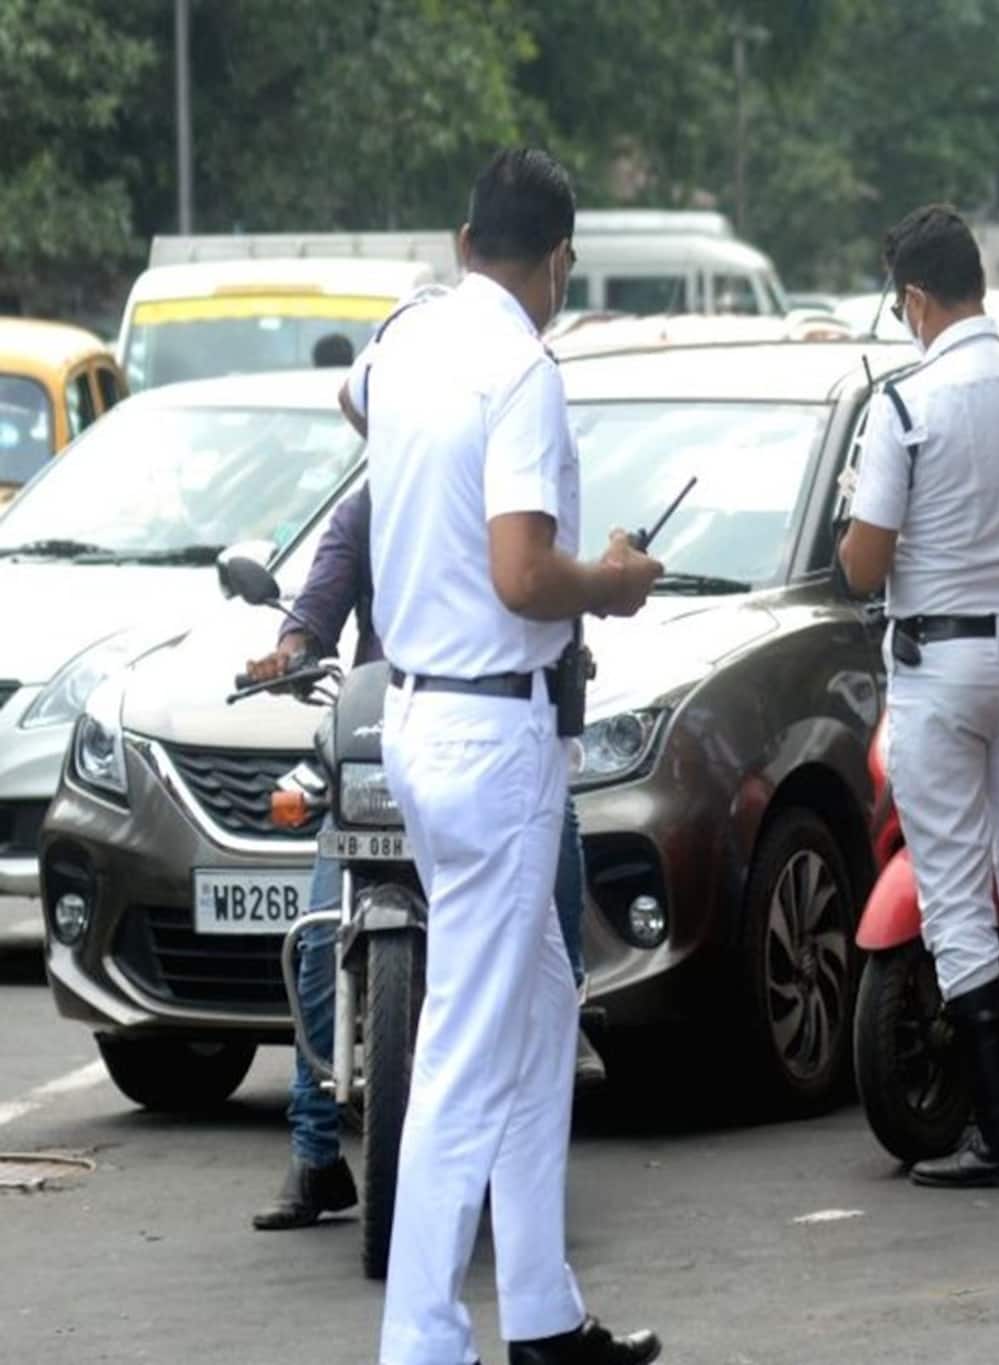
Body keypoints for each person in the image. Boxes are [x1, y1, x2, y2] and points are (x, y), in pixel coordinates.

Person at [364, 148, 662, 1365]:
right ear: (556, 263)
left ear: (459, 239)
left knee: (539, 1006)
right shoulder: (522, 368)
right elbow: (524, 575)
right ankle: (421, 1337)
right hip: (494, 732)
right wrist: (621, 583)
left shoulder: (405, 345)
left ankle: (540, 1312)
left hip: (422, 718)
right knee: (470, 1044)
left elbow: (364, 415)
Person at [242, 481, 603, 1233]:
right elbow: (319, 603)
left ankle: (560, 1043)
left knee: (550, 901)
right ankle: (315, 1150)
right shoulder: (372, 504)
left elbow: (552, 605)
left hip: (493, 742)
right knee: (317, 940)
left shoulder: (516, 502)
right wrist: (292, 648)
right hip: (388, 736)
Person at [838, 204, 999, 1191]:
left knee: (952, 892)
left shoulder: (903, 407)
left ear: (912, 298)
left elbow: (864, 565)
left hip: (939, 667)